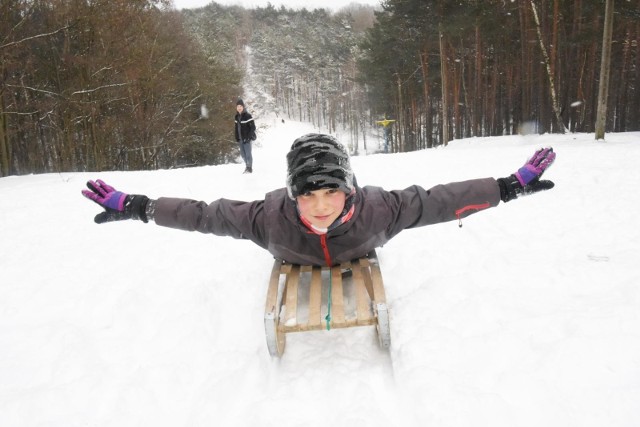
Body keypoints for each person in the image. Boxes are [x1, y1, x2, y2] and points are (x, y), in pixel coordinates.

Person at [81, 133, 556, 267]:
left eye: (332, 191)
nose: (322, 205)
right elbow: (205, 215)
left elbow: (437, 200)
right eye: (309, 195)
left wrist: (507, 186)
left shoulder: (379, 210)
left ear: (349, 189)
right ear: (293, 196)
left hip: (357, 256)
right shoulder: (269, 219)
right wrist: (142, 206)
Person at [234, 99, 256, 173]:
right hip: (240, 139)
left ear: (243, 107)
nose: (239, 108)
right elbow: (236, 128)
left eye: (240, 106)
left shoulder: (248, 116)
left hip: (247, 139)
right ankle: (247, 166)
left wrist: (248, 137)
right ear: (236, 108)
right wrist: (236, 137)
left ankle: (249, 168)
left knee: (248, 154)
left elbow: (253, 127)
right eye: (238, 106)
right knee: (243, 155)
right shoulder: (236, 117)